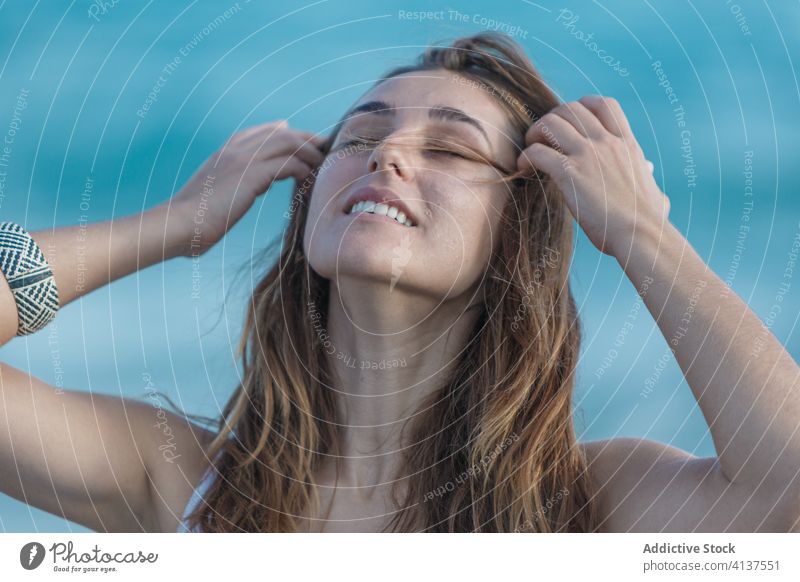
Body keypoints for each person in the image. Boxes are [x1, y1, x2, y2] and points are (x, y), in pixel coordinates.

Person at [0, 33, 797, 533]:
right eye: (359, 137)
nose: (387, 155)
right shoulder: (183, 480)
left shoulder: (588, 507)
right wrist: (173, 224)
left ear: (513, 235)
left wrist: (640, 232)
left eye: (449, 150)